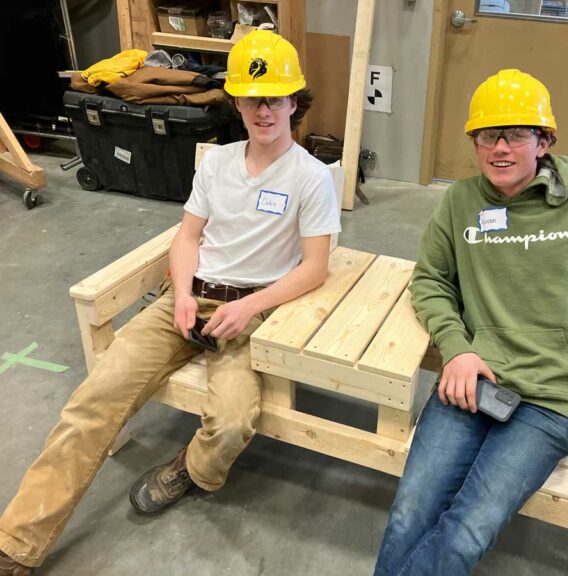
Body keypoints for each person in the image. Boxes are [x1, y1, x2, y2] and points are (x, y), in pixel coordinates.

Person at [0, 30, 340, 575]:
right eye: (252, 99)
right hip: (185, 301)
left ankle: (193, 468)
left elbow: (315, 267)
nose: (264, 110)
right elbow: (186, 238)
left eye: (275, 98)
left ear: (294, 102)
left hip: (250, 316)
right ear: (237, 102)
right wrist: (181, 294)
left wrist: (249, 309)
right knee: (96, 398)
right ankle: (17, 542)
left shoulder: (311, 179)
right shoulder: (217, 165)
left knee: (230, 422)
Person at [373, 69, 568, 576]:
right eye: (487, 135)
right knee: (409, 514)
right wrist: (457, 347)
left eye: (516, 134)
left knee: (466, 531)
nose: (500, 148)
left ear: (544, 141)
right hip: (473, 379)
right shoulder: (460, 202)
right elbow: (429, 282)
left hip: (551, 397)